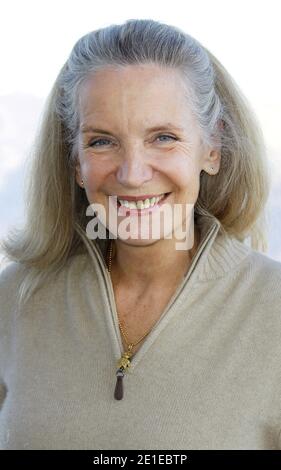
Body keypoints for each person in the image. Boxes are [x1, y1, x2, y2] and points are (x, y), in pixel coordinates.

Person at [0, 18, 281, 450]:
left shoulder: (272, 311)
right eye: (101, 142)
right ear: (75, 161)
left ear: (212, 148)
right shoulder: (14, 300)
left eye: (163, 137)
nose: (132, 174)